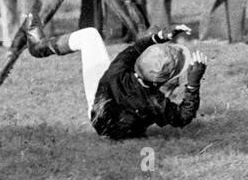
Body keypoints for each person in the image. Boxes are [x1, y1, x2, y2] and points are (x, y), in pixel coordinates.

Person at [23, 19, 207, 139]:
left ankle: (39, 47)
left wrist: (159, 36)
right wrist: (193, 83)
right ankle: (39, 47)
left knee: (89, 35)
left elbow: (135, 48)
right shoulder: (154, 101)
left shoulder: (119, 68)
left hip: (98, 109)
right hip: (116, 129)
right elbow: (183, 116)